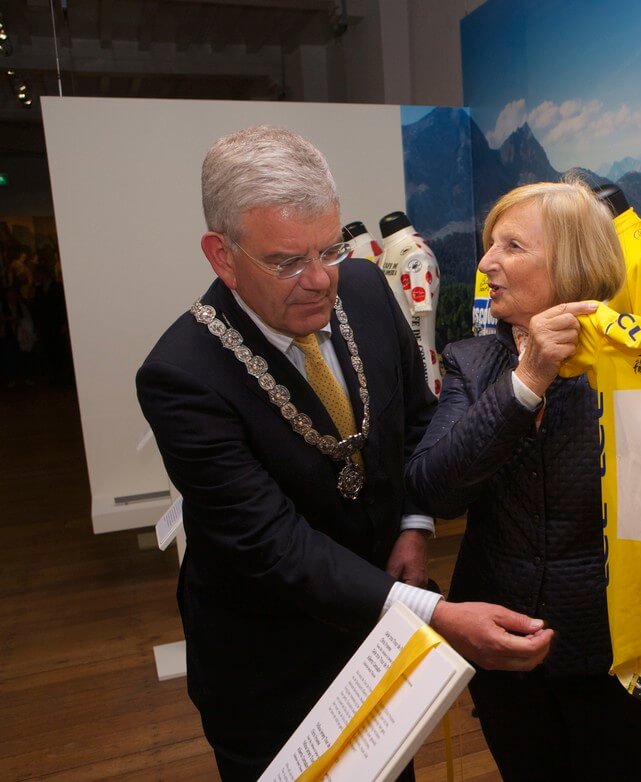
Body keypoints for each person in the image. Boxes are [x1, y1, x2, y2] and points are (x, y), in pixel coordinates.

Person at [136, 126, 552, 780]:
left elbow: (417, 422)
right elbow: (275, 547)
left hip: (382, 636)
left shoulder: (363, 286)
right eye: (285, 261)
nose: (318, 281)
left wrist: (414, 526)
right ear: (221, 255)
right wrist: (437, 615)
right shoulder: (182, 377)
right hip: (271, 664)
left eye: (328, 248)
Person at [405, 181, 641, 781]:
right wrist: (525, 382)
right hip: (503, 650)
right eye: (489, 244)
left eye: (512, 245)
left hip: (623, 652)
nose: (486, 263)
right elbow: (434, 488)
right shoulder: (473, 363)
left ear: (573, 262)